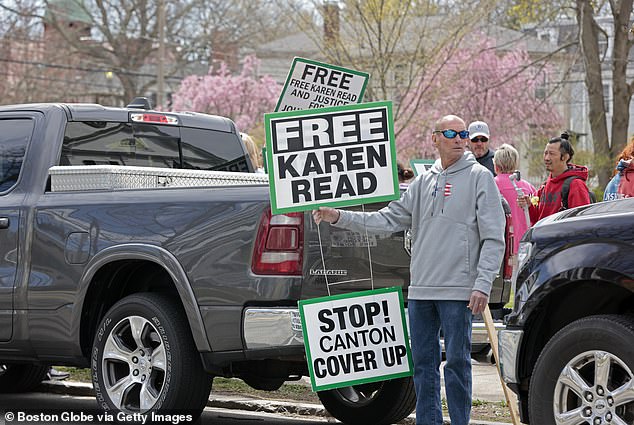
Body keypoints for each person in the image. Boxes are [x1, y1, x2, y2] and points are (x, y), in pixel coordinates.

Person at [312, 115, 505, 425]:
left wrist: (482, 283)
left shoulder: (480, 177)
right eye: (451, 133)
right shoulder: (423, 181)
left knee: (457, 363)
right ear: (435, 138)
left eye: (463, 133)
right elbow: (386, 220)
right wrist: (339, 216)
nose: (459, 138)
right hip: (421, 291)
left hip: (459, 290)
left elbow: (494, 237)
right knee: (423, 365)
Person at [518, 132, 591, 224]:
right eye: (545, 153)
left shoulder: (576, 185)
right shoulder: (545, 186)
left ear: (564, 157)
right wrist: (529, 206)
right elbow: (539, 219)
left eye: (552, 154)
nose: (547, 158)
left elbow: (582, 222)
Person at [493, 144, 536, 253]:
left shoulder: (492, 185)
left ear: (496, 165)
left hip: (502, 244)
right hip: (525, 244)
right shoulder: (528, 187)